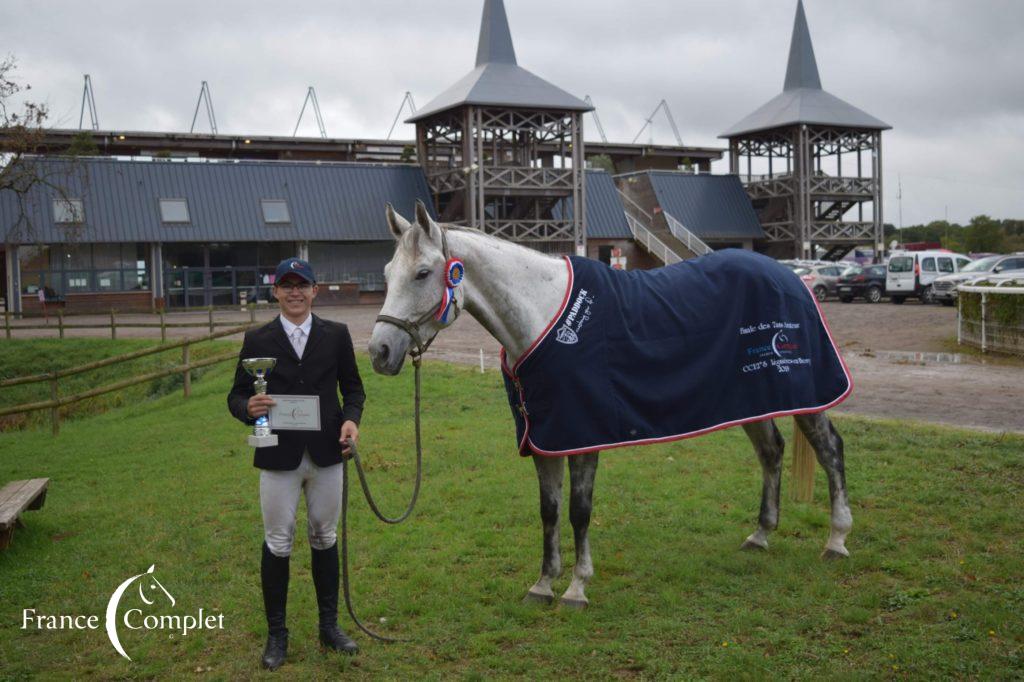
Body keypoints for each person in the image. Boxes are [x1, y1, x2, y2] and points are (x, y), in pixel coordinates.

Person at [227, 257, 365, 671]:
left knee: (324, 536)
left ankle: (329, 626)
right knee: (279, 541)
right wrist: (248, 408)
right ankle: (277, 636)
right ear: (275, 292)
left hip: (327, 453)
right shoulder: (257, 339)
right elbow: (236, 395)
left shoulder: (336, 335)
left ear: (314, 290)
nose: (294, 292)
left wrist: (351, 421)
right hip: (278, 456)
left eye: (301, 285)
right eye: (286, 286)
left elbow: (353, 389)